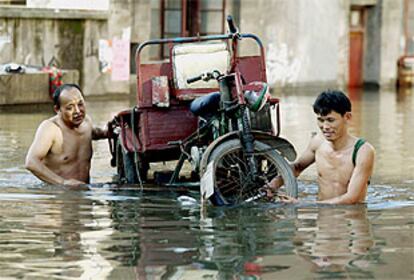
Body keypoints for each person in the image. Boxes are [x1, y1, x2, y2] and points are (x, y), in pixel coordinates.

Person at [266, 90, 375, 204]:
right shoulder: (318, 142)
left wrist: (303, 204)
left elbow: (352, 198)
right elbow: (297, 168)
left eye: (330, 120)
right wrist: (273, 185)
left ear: (347, 117)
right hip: (322, 214)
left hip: (349, 215)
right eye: (321, 120)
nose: (325, 126)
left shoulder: (363, 151)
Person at [25, 84, 108, 187]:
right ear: (57, 109)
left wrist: (107, 132)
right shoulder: (51, 128)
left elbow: (94, 133)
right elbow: (31, 162)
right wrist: (63, 182)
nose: (77, 111)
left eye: (80, 104)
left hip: (84, 191)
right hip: (59, 195)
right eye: (70, 107)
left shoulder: (86, 122)